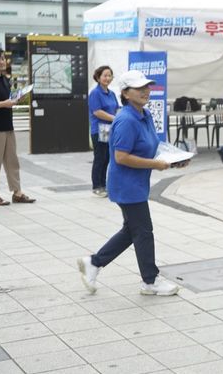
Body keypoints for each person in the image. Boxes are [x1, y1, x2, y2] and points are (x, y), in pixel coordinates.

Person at [77, 70, 182, 297]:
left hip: (137, 183)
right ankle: (150, 281)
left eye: (147, 87)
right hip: (126, 185)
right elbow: (121, 157)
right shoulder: (125, 120)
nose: (146, 91)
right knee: (143, 231)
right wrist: (156, 165)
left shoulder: (144, 115)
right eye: (139, 88)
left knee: (131, 231)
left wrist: (173, 161)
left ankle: (94, 263)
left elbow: (153, 145)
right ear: (125, 93)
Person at [0, 48, 35, 206]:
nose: (2, 61)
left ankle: (17, 193)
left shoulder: (4, 79)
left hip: (8, 126)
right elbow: (2, 102)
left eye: (3, 58)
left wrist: (17, 97)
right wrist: (4, 104)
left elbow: (7, 99)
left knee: (12, 161)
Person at [88, 65, 119, 197]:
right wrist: (115, 118)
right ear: (98, 77)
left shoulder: (111, 94)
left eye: (109, 75)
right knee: (100, 157)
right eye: (104, 75)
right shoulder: (95, 93)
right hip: (99, 129)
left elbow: (117, 108)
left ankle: (104, 185)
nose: (107, 78)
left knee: (107, 158)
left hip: (110, 129)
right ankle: (97, 186)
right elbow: (97, 112)